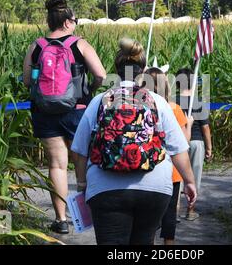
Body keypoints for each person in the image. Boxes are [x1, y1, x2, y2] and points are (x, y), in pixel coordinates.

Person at [71, 38, 197, 245]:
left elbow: (78, 150)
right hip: (154, 188)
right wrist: (190, 182)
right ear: (143, 70)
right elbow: (178, 149)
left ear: (116, 68)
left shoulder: (99, 101)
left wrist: (82, 183)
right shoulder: (158, 101)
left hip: (105, 189)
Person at [23, 0, 106, 234]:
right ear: (68, 22)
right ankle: (86, 215)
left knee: (57, 165)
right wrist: (90, 89)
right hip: (76, 110)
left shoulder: (36, 46)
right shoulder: (80, 44)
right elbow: (100, 74)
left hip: (44, 111)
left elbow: (28, 80)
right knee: (81, 161)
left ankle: (61, 220)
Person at [144, 67, 194, 245]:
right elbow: (183, 142)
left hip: (146, 168)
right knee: (169, 214)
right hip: (171, 171)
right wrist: (189, 125)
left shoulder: (140, 105)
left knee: (146, 218)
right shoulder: (174, 108)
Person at [175, 68, 212, 221]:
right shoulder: (198, 102)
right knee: (194, 177)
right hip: (196, 142)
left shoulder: (172, 101)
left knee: (177, 177)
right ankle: (190, 211)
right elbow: (205, 127)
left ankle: (174, 211)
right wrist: (209, 148)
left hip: (178, 142)